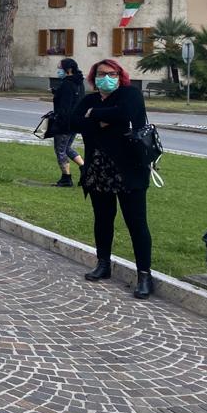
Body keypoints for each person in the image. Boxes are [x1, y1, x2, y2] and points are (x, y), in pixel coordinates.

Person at [71, 59, 155, 300]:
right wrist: (102, 118)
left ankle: (144, 275)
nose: (105, 78)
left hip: (129, 171)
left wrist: (94, 116)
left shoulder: (130, 94)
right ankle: (103, 263)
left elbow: (126, 114)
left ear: (120, 76)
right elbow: (74, 121)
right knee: (103, 219)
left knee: (136, 223)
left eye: (111, 73)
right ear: (93, 77)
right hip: (98, 171)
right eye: (100, 74)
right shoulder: (89, 99)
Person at [50, 57, 85, 187]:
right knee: (67, 148)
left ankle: (66, 177)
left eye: (60, 68)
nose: (58, 70)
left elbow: (65, 106)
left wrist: (59, 122)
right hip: (76, 122)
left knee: (60, 150)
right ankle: (84, 168)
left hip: (64, 124)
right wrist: (56, 92)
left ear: (68, 69)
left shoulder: (66, 84)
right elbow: (75, 100)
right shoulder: (79, 83)